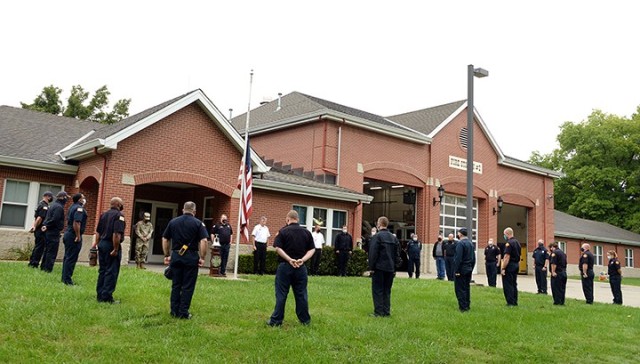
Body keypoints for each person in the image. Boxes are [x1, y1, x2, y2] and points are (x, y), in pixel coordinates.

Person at [267, 210, 315, 326]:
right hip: (301, 267)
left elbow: (278, 248)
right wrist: (302, 260)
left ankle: (276, 321)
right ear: (298, 219)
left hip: (285, 267)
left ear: (288, 219)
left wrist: (289, 259)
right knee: (301, 294)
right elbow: (312, 249)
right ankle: (305, 320)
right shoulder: (306, 233)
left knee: (281, 294)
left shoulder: (283, 232)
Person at [162, 201, 208, 319]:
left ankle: (174, 311)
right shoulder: (199, 224)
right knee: (188, 286)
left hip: (176, 256)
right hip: (191, 257)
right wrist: (202, 257)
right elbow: (204, 241)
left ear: (183, 210)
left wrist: (167, 255)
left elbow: (165, 238)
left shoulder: (173, 222)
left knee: (176, 284)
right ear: (194, 211)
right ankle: (183, 312)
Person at [94, 197, 125, 304]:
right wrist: (115, 249)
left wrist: (97, 245)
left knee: (102, 270)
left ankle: (100, 294)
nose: (123, 205)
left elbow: (97, 232)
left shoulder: (103, 215)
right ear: (118, 205)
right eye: (122, 204)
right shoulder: (119, 216)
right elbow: (116, 234)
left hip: (102, 244)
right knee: (111, 271)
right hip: (111, 245)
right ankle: (106, 297)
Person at [368, 216, 401, 317]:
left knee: (377, 290)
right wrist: (395, 268)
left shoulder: (377, 237)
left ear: (379, 224)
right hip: (390, 268)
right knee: (387, 290)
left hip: (379, 267)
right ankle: (386, 312)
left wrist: (371, 267)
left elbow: (373, 253)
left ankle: (378, 312)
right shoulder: (393, 238)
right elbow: (397, 254)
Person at [61, 193, 88, 285]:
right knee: (71, 258)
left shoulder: (72, 207)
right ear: (79, 200)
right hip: (73, 235)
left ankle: (64, 278)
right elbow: (76, 223)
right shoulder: (79, 209)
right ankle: (67, 280)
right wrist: (78, 235)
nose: (84, 199)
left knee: (67, 257)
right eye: (83, 198)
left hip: (68, 234)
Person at [40, 191, 68, 273]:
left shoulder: (53, 205)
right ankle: (48, 269)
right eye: (66, 197)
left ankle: (43, 267)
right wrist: (47, 225)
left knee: (47, 250)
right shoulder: (59, 207)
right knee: (52, 251)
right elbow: (55, 219)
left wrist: (45, 225)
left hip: (49, 231)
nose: (66, 200)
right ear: (63, 197)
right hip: (53, 231)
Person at [28, 191, 53, 268]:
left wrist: (34, 226)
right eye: (51, 197)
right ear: (48, 197)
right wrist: (35, 227)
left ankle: (32, 262)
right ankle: (34, 263)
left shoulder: (40, 204)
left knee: (37, 246)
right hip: (40, 230)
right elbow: (39, 218)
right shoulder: (44, 206)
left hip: (38, 229)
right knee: (40, 247)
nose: (51, 199)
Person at [453, 227, 476, 312]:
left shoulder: (460, 244)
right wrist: (471, 268)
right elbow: (474, 258)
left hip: (461, 269)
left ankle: (463, 307)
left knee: (460, 289)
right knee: (466, 288)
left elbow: (458, 258)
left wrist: (457, 270)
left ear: (460, 234)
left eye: (458, 233)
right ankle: (467, 305)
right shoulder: (470, 243)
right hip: (468, 269)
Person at [500, 227, 521, 306]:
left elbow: (506, 257)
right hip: (516, 264)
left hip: (510, 265)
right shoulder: (517, 242)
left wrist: (503, 268)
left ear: (507, 234)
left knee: (508, 285)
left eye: (504, 234)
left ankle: (510, 302)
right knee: (514, 284)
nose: (504, 236)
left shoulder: (509, 243)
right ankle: (515, 301)